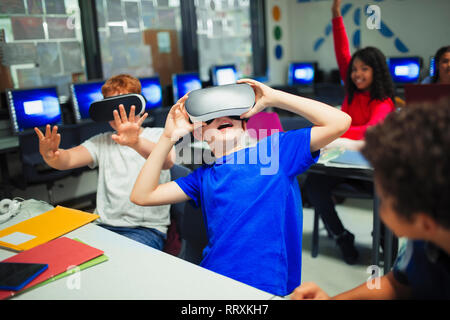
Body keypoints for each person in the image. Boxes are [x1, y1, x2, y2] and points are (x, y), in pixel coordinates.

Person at [129, 78, 351, 296]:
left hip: (265, 285)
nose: (222, 117)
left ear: (245, 123)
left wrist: (272, 96)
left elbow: (340, 122)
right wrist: (168, 137)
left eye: (230, 114)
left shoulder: (276, 152)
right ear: (199, 134)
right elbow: (142, 195)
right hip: (213, 279)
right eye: (211, 117)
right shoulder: (202, 178)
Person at [291, 98, 450, 300]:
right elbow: (396, 283)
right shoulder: (424, 237)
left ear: (423, 221)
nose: (379, 204)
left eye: (383, 198)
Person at [34, 74, 176, 250]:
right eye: (110, 105)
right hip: (103, 225)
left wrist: (136, 142)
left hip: (145, 229)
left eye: (122, 105)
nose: (117, 113)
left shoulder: (158, 135)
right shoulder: (101, 141)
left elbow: (167, 161)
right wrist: (51, 155)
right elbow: (67, 160)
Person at [303, 0, 396, 264]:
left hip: (374, 173)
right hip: (344, 166)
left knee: (387, 196)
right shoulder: (352, 91)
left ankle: (383, 244)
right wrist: (335, 14)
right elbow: (342, 51)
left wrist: (335, 132)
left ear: (375, 72)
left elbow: (370, 131)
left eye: (364, 69)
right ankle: (341, 236)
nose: (356, 74)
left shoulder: (384, 101)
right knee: (314, 186)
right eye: (354, 70)